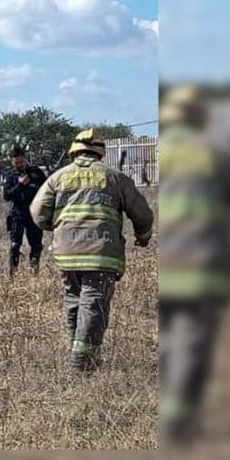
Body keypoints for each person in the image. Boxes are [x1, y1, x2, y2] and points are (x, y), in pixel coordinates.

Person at [156, 85, 230, 445]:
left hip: (163, 266)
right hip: (203, 270)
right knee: (191, 342)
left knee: (168, 338)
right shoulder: (218, 157)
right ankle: (176, 425)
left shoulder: (158, 154)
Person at [30, 128, 154, 372]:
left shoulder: (58, 177)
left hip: (66, 254)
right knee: (93, 303)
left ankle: (75, 351)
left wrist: (59, 229)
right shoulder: (115, 177)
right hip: (101, 254)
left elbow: (37, 212)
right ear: (100, 153)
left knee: (74, 301)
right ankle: (81, 364)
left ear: (74, 151)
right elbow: (142, 214)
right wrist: (143, 236)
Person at [2, 146, 48, 276]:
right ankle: (13, 274)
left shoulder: (36, 172)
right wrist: (20, 185)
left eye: (21, 162)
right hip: (18, 214)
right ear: (12, 162)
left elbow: (46, 191)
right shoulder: (10, 175)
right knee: (15, 246)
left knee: (36, 246)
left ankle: (34, 273)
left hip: (34, 214)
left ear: (25, 160)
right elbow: (6, 196)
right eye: (16, 163)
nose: (19, 165)